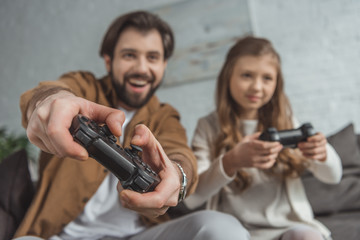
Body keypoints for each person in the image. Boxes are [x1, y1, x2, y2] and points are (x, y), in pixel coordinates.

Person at [15, 11, 248, 240]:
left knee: (222, 227)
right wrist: (50, 101)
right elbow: (46, 93)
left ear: (164, 65)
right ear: (109, 61)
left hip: (139, 234)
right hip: (59, 235)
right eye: (129, 55)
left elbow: (180, 153)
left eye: (153, 58)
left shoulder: (165, 115)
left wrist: (177, 174)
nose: (141, 68)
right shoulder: (83, 87)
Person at [184, 36, 342, 240]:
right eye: (247, 75)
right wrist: (231, 162)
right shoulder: (208, 127)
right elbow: (192, 198)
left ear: (277, 83)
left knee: (307, 237)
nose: (257, 87)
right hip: (236, 231)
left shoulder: (287, 121)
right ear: (228, 77)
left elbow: (333, 176)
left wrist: (322, 154)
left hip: (289, 228)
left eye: (267, 78)